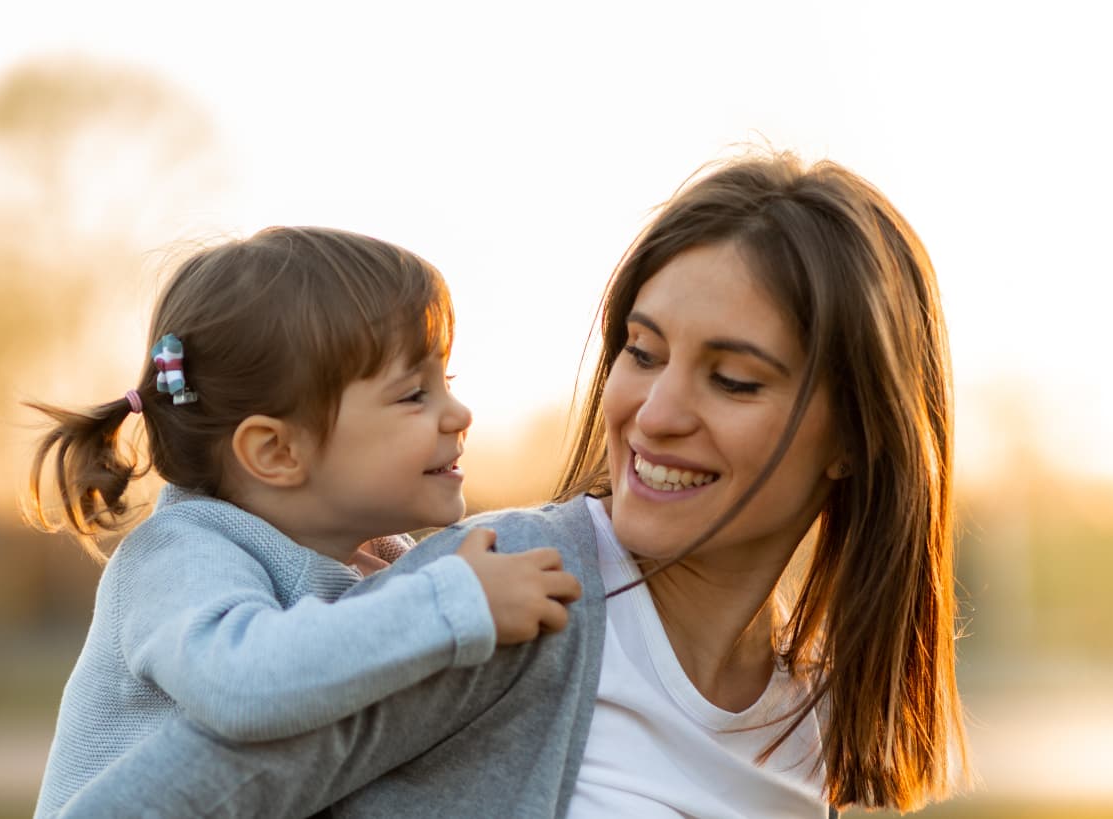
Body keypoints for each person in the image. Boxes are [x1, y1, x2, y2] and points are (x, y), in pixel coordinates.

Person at [53, 153, 967, 817]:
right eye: (640, 354)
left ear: (857, 432)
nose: (654, 414)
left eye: (734, 379)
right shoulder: (501, 592)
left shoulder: (808, 720)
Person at [23, 226, 585, 816]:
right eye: (414, 395)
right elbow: (243, 685)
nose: (460, 414)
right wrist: (452, 602)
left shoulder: (376, 559)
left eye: (447, 383)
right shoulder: (179, 554)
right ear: (276, 453)